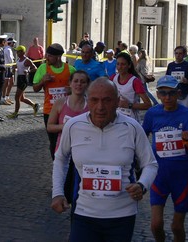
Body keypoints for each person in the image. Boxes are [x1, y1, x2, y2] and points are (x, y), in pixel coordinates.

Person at [51, 78, 158, 242]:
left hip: (122, 215)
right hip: (84, 213)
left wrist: (142, 185)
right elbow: (60, 159)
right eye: (94, 100)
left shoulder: (132, 127)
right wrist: (57, 193)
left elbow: (150, 164)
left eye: (107, 101)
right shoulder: (73, 126)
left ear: (117, 102)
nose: (100, 107)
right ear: (88, 100)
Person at [142, 75, 188, 242]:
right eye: (163, 93)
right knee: (156, 225)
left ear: (178, 93)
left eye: (171, 93)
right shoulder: (152, 114)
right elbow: (142, 140)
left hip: (182, 176)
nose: (167, 97)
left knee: (177, 227)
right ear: (157, 94)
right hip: (159, 175)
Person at [46, 70, 89, 203]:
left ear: (87, 85)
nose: (79, 84)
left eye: (82, 82)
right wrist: (66, 126)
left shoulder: (90, 106)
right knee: (66, 189)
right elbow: (50, 126)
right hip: (64, 151)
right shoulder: (60, 103)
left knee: (81, 191)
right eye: (75, 81)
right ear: (70, 83)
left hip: (84, 152)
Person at [33, 43, 76, 159]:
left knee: (68, 139)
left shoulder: (70, 70)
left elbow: (80, 87)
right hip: (49, 111)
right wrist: (43, 81)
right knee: (53, 141)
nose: (47, 58)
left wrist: (72, 90)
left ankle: (69, 164)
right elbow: (35, 88)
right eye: (47, 55)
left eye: (50, 56)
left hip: (66, 110)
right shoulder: (43, 68)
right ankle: (56, 163)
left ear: (58, 57)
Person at [112, 52, 153, 121]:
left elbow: (148, 105)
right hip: (115, 118)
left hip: (130, 120)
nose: (119, 67)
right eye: (118, 64)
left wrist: (129, 105)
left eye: (123, 64)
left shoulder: (135, 81)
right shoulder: (113, 78)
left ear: (129, 65)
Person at [7, 45, 39, 118]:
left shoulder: (27, 60)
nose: (17, 53)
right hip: (19, 78)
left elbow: (35, 68)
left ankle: (15, 113)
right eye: (17, 51)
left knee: (16, 97)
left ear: (23, 52)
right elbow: (16, 67)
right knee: (22, 98)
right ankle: (35, 105)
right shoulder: (18, 60)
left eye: (18, 51)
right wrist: (14, 69)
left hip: (23, 79)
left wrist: (28, 70)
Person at [2, 37, 16, 104]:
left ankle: (7, 97)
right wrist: (14, 64)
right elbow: (11, 60)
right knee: (6, 83)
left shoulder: (7, 49)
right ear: (10, 43)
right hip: (7, 67)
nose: (14, 44)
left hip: (9, 67)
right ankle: (3, 97)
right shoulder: (8, 49)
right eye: (13, 43)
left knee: (11, 82)